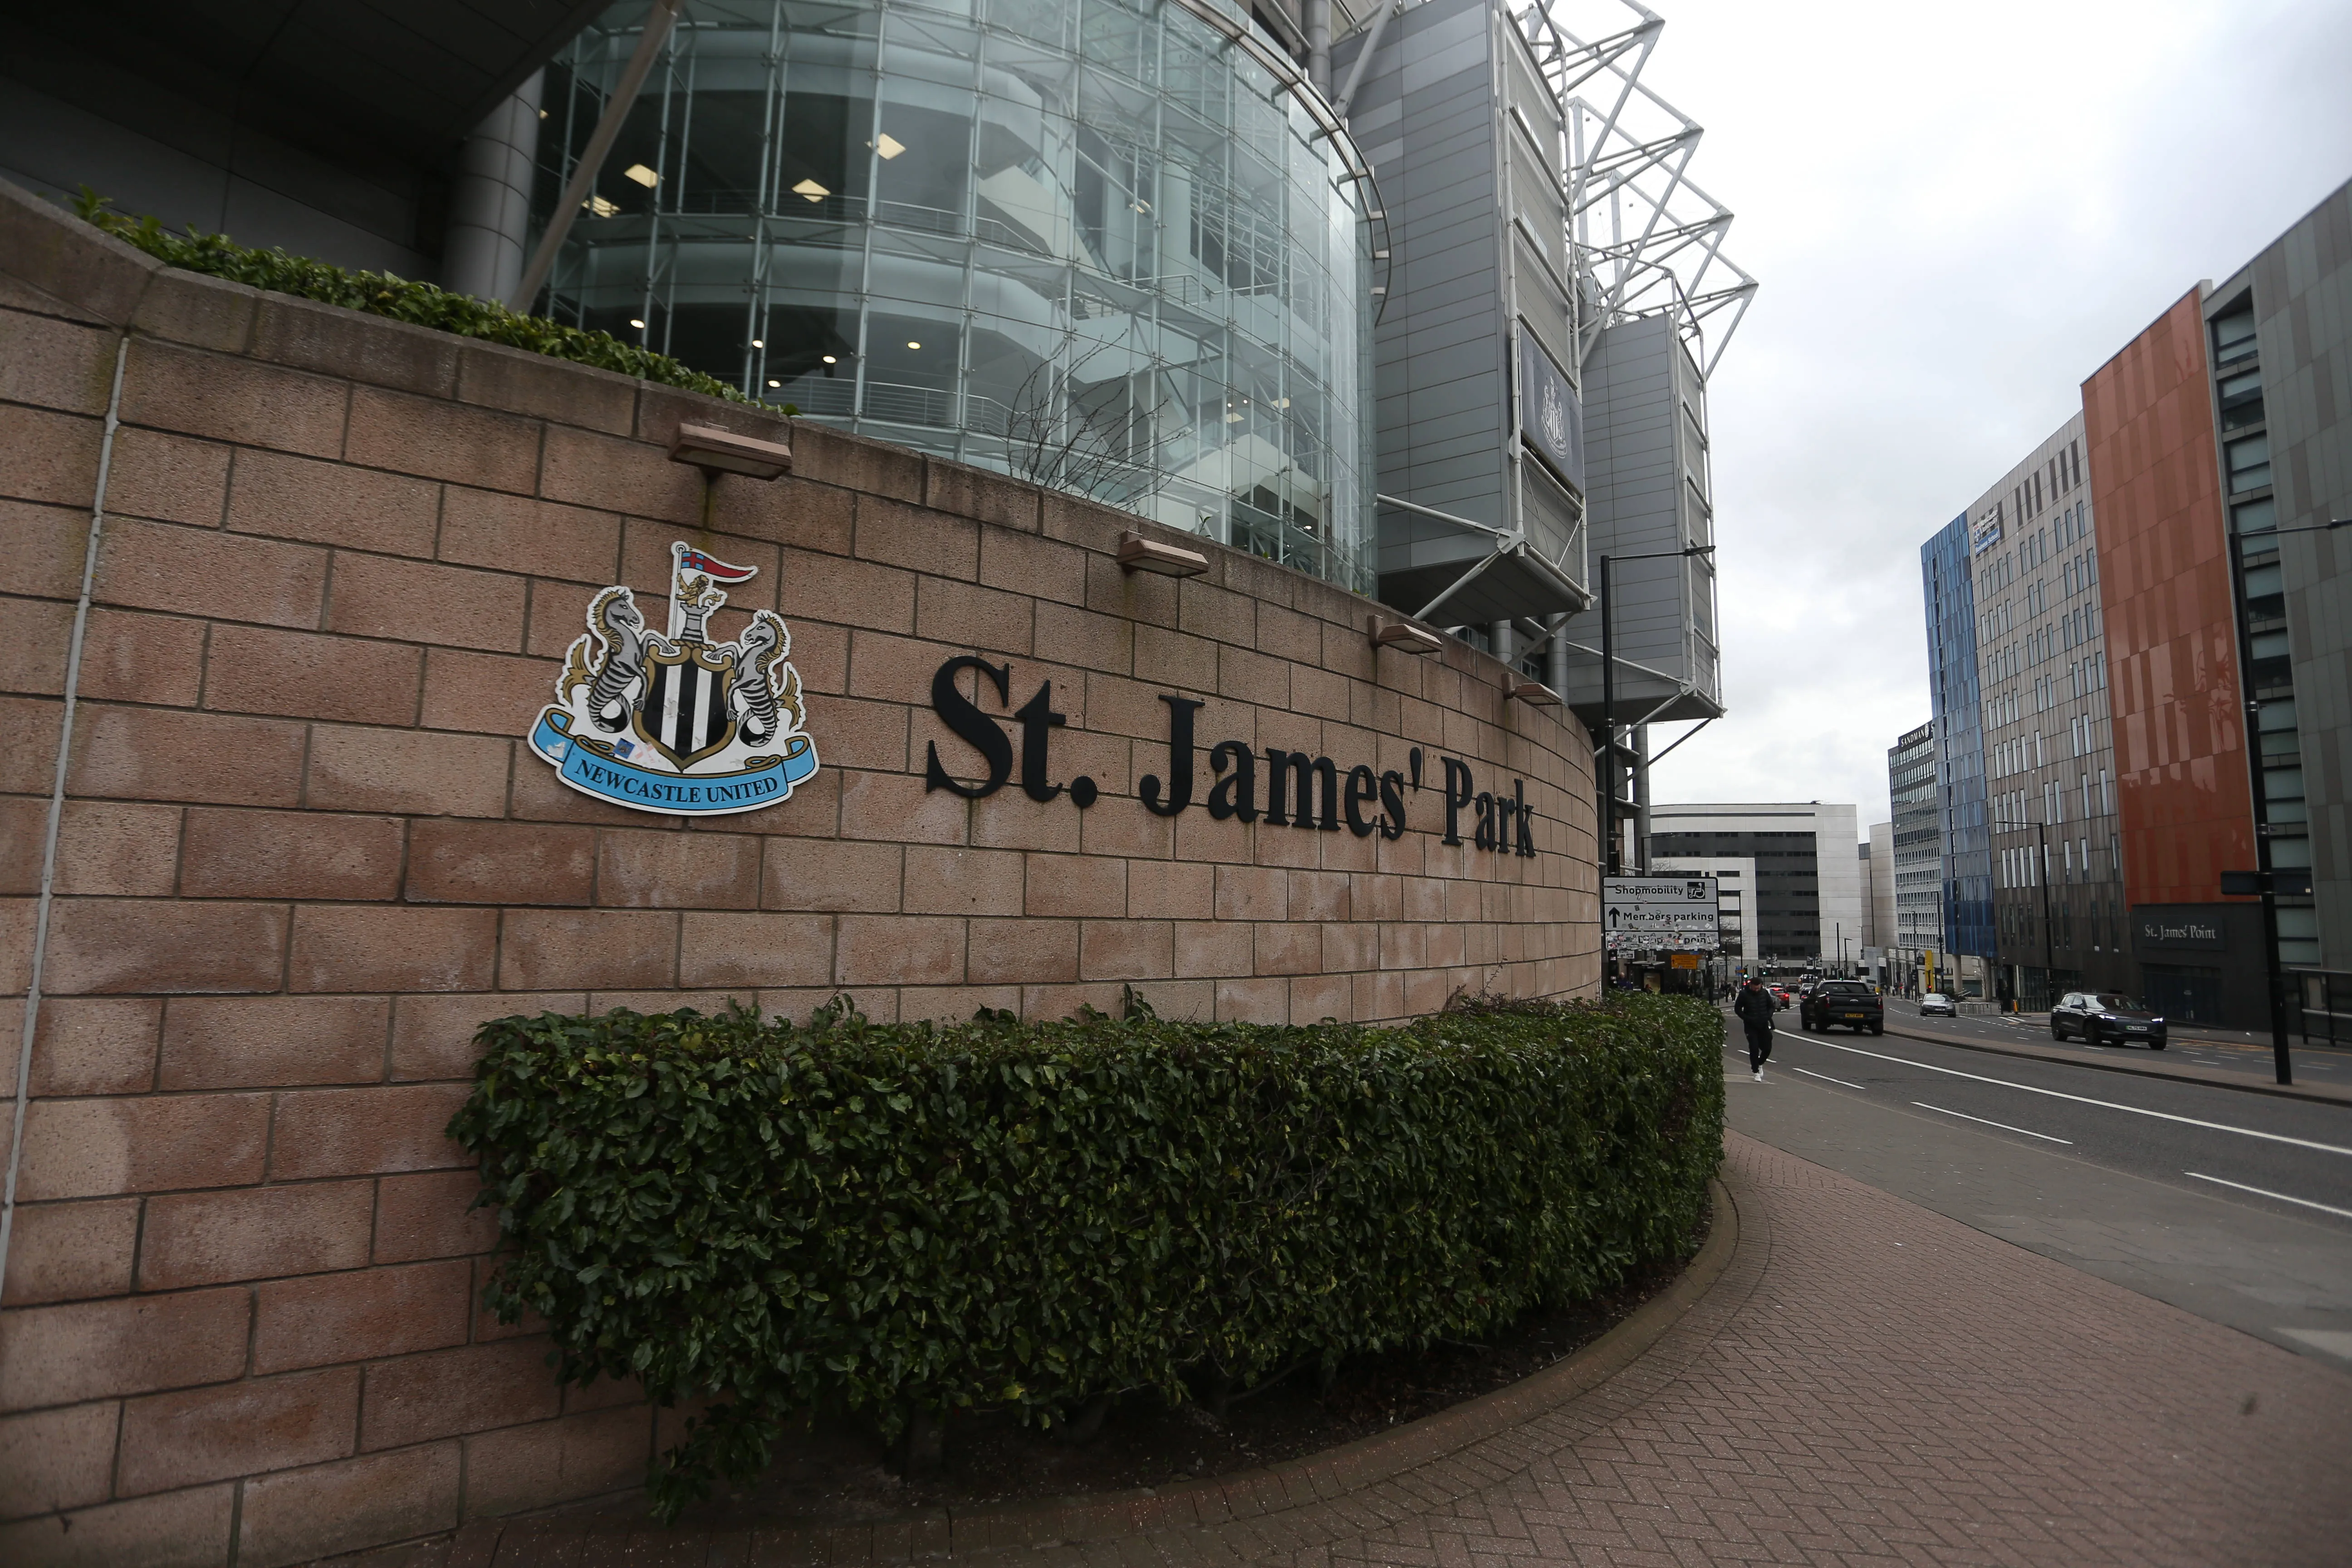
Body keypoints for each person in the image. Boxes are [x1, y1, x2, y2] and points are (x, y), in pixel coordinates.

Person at [1733, 975, 1775, 1082]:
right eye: (1755, 988)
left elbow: (1771, 1006)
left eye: (1758, 988)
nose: (1757, 990)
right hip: (1750, 1025)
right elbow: (1737, 1009)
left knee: (1767, 1048)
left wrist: (1768, 1016)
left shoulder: (1764, 993)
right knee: (1754, 1048)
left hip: (1763, 1024)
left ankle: (1760, 1063)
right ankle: (1755, 1071)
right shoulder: (1744, 994)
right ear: (1750, 985)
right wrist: (1746, 1018)